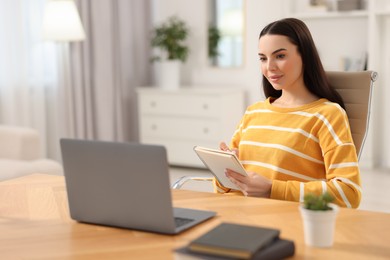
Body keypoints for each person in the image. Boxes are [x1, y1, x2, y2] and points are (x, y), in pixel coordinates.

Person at [215, 18, 361, 208]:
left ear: (304, 56)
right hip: (237, 217)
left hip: (287, 225)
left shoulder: (327, 115)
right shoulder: (253, 112)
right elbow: (222, 191)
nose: (270, 67)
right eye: (263, 58)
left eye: (280, 56)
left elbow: (349, 193)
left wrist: (272, 189)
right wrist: (224, 173)